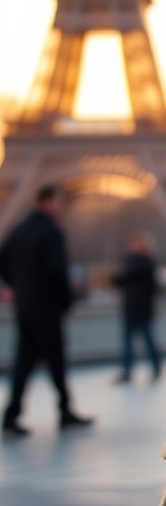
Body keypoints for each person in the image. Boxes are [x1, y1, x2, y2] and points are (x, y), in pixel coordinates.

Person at [1, 184, 94, 436]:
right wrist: (66, 302)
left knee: (23, 362)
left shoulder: (18, 230)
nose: (61, 206)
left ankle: (11, 416)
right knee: (56, 361)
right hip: (48, 308)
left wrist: (16, 286)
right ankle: (65, 411)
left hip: (25, 306)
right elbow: (57, 272)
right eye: (59, 201)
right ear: (50, 201)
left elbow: (3, 261)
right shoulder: (51, 232)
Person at [111, 230, 163, 384]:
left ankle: (130, 371)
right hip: (137, 308)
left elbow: (123, 278)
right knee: (144, 339)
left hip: (136, 308)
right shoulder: (146, 263)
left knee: (135, 340)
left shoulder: (138, 264)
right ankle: (155, 367)